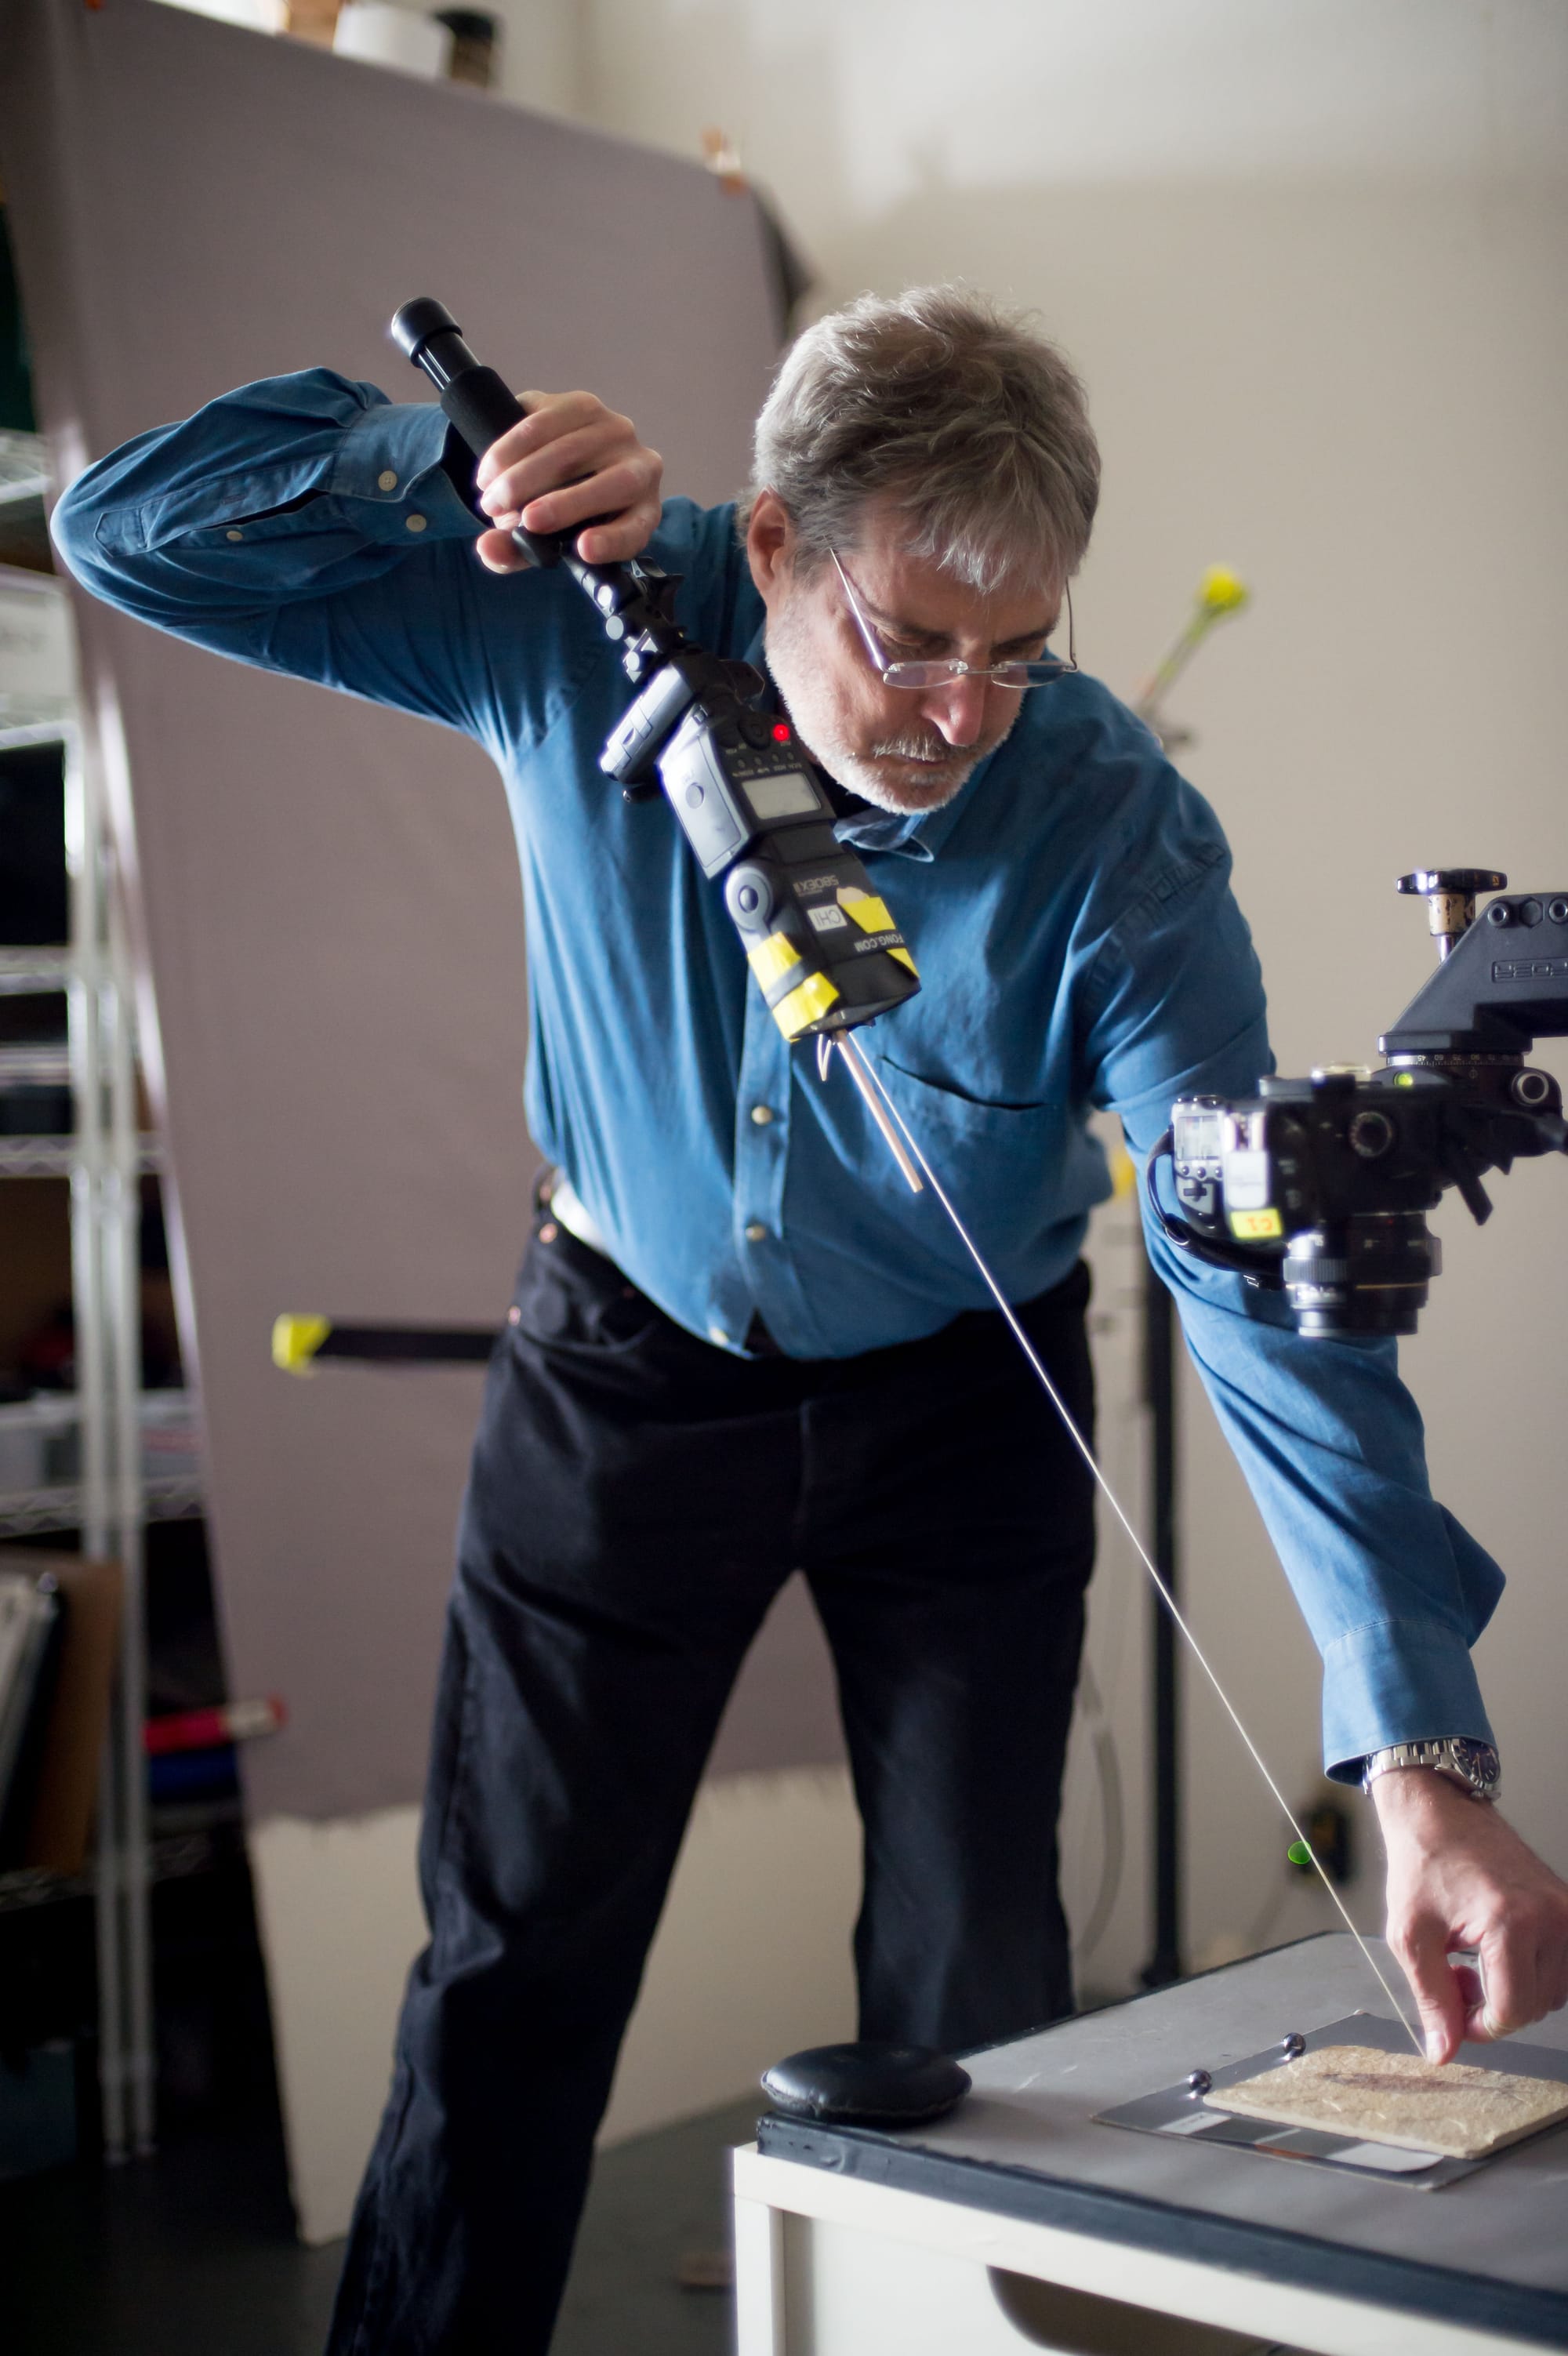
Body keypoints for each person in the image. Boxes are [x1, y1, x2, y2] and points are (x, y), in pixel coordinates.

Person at [54, 286, 1568, 2354]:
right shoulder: (573, 608)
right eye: (914, 639)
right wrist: (448, 466)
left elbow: (1261, 1285)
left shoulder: (1114, 834)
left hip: (971, 1389)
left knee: (984, 1981)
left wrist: (1417, 1753)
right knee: (510, 1966)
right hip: (621, 1361)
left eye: (1018, 653)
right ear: (770, 543)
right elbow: (122, 539)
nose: (963, 713)